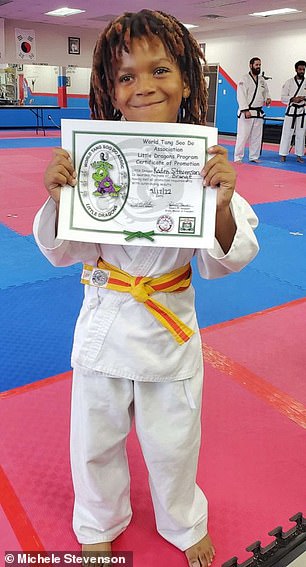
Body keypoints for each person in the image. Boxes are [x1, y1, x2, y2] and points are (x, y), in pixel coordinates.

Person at [33, 10, 259, 567]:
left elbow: (226, 259)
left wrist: (223, 203)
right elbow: (66, 251)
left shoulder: (202, 162)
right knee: (94, 440)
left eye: (159, 70)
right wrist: (59, 193)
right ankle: (97, 520)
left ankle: (183, 520)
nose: (144, 86)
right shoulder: (94, 157)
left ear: (186, 80)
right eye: (126, 76)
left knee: (174, 441)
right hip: (105, 322)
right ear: (109, 91)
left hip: (168, 326)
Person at [234, 57, 271, 163]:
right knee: (243, 135)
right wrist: (245, 110)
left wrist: (267, 99)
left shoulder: (262, 80)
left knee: (256, 136)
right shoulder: (244, 79)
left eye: (260, 65)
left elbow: (266, 92)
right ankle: (238, 157)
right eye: (256, 65)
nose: (258, 67)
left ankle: (254, 157)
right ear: (250, 65)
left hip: (258, 112)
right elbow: (241, 95)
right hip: (247, 112)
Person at [279, 60, 306, 163]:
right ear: (296, 70)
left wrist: (303, 98)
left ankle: (299, 155)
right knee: (287, 133)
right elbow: (283, 97)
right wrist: (293, 98)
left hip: (302, 111)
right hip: (291, 110)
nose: (302, 71)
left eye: (303, 69)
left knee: (301, 134)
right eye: (300, 69)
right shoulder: (289, 82)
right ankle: (283, 154)